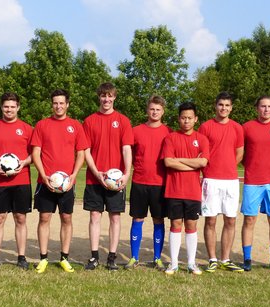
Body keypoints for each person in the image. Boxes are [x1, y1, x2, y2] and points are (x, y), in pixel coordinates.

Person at [30, 89, 88, 273]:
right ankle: (43, 258)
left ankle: (64, 257)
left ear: (67, 104)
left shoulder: (75, 125)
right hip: (45, 181)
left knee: (66, 218)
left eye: (62, 103)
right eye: (55, 103)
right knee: (44, 217)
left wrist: (73, 176)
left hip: (67, 183)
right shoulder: (42, 125)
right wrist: (43, 175)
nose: (58, 106)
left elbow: (81, 153)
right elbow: (36, 153)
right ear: (51, 104)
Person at [82, 82, 134, 270]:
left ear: (114, 97)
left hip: (116, 179)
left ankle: (111, 257)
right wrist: (97, 173)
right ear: (99, 97)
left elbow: (126, 148)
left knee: (115, 217)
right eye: (103, 96)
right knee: (95, 216)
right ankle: (94, 256)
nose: (106, 99)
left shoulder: (123, 120)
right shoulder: (89, 121)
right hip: (94, 178)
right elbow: (86, 150)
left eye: (110, 96)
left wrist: (127, 174)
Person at [0, 92, 33, 271]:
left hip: (21, 180)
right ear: (1, 107)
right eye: (6, 106)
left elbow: (34, 154)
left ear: (18, 107)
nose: (9, 109)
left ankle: (21, 257)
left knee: (20, 218)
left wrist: (24, 163)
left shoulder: (27, 129)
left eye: (12, 106)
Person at [240, 96, 270, 272]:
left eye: (269, 106)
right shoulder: (247, 127)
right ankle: (247, 259)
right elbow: (240, 152)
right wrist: (253, 164)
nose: (266, 109)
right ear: (257, 108)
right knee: (249, 219)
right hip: (253, 181)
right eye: (263, 106)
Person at [199, 91, 245, 273]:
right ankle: (212, 259)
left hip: (231, 181)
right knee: (210, 220)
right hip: (211, 180)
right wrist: (213, 168)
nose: (223, 108)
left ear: (231, 108)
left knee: (230, 220)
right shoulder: (205, 127)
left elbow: (240, 152)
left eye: (227, 105)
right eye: (221, 105)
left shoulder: (237, 128)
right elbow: (201, 152)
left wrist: (227, 167)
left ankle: (225, 259)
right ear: (215, 106)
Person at [161, 102, 209, 275]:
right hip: (174, 190)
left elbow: (203, 162)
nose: (186, 121)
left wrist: (179, 160)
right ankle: (173, 264)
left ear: (195, 119)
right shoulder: (171, 138)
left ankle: (191, 263)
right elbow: (168, 162)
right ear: (178, 118)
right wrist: (192, 164)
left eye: (189, 118)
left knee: (191, 225)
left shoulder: (202, 139)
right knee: (175, 224)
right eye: (183, 118)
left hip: (192, 191)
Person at [124, 95, 171, 271]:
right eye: (152, 109)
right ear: (147, 110)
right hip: (139, 182)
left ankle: (157, 258)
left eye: (158, 109)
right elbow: (128, 154)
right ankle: (134, 257)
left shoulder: (169, 132)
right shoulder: (136, 131)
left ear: (163, 111)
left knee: (158, 219)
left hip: (160, 183)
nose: (155, 112)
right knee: (137, 218)